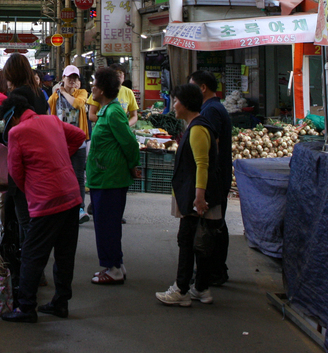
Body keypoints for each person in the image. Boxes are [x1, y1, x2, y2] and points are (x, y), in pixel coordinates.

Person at [0, 94, 86, 323]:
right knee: (65, 253)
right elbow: (79, 135)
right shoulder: (53, 121)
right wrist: (61, 156)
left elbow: (15, 172)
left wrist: (31, 186)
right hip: (71, 195)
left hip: (46, 199)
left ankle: (26, 307)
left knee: (32, 254)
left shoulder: (16, 133)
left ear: (14, 115)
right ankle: (60, 303)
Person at [155, 82, 228, 306]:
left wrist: (198, 196)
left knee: (187, 241)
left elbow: (202, 164)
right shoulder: (199, 125)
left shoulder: (197, 129)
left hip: (198, 196)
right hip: (204, 194)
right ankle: (201, 288)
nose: (174, 105)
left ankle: (181, 290)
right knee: (201, 243)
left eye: (176, 101)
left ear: (185, 104)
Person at [85, 67, 140, 284]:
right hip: (103, 178)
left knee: (107, 225)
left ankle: (113, 269)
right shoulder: (106, 110)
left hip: (110, 180)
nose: (92, 88)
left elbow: (129, 143)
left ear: (103, 90)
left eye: (95, 85)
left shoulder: (115, 112)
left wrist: (133, 166)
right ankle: (115, 264)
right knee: (107, 224)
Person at [188, 69, 233, 290]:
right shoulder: (212, 107)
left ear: (202, 87)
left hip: (215, 178)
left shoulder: (212, 110)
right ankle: (215, 270)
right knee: (215, 224)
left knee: (214, 226)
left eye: (192, 86)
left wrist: (201, 187)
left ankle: (216, 271)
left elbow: (210, 149)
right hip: (217, 176)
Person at [48, 66, 91, 223]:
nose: (72, 81)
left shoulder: (82, 93)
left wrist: (64, 92)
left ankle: (80, 209)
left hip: (79, 142)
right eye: (69, 78)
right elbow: (50, 106)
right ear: (63, 78)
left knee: (79, 176)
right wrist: (58, 91)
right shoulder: (55, 95)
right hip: (60, 142)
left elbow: (78, 105)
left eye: (75, 78)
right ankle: (62, 207)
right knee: (61, 175)